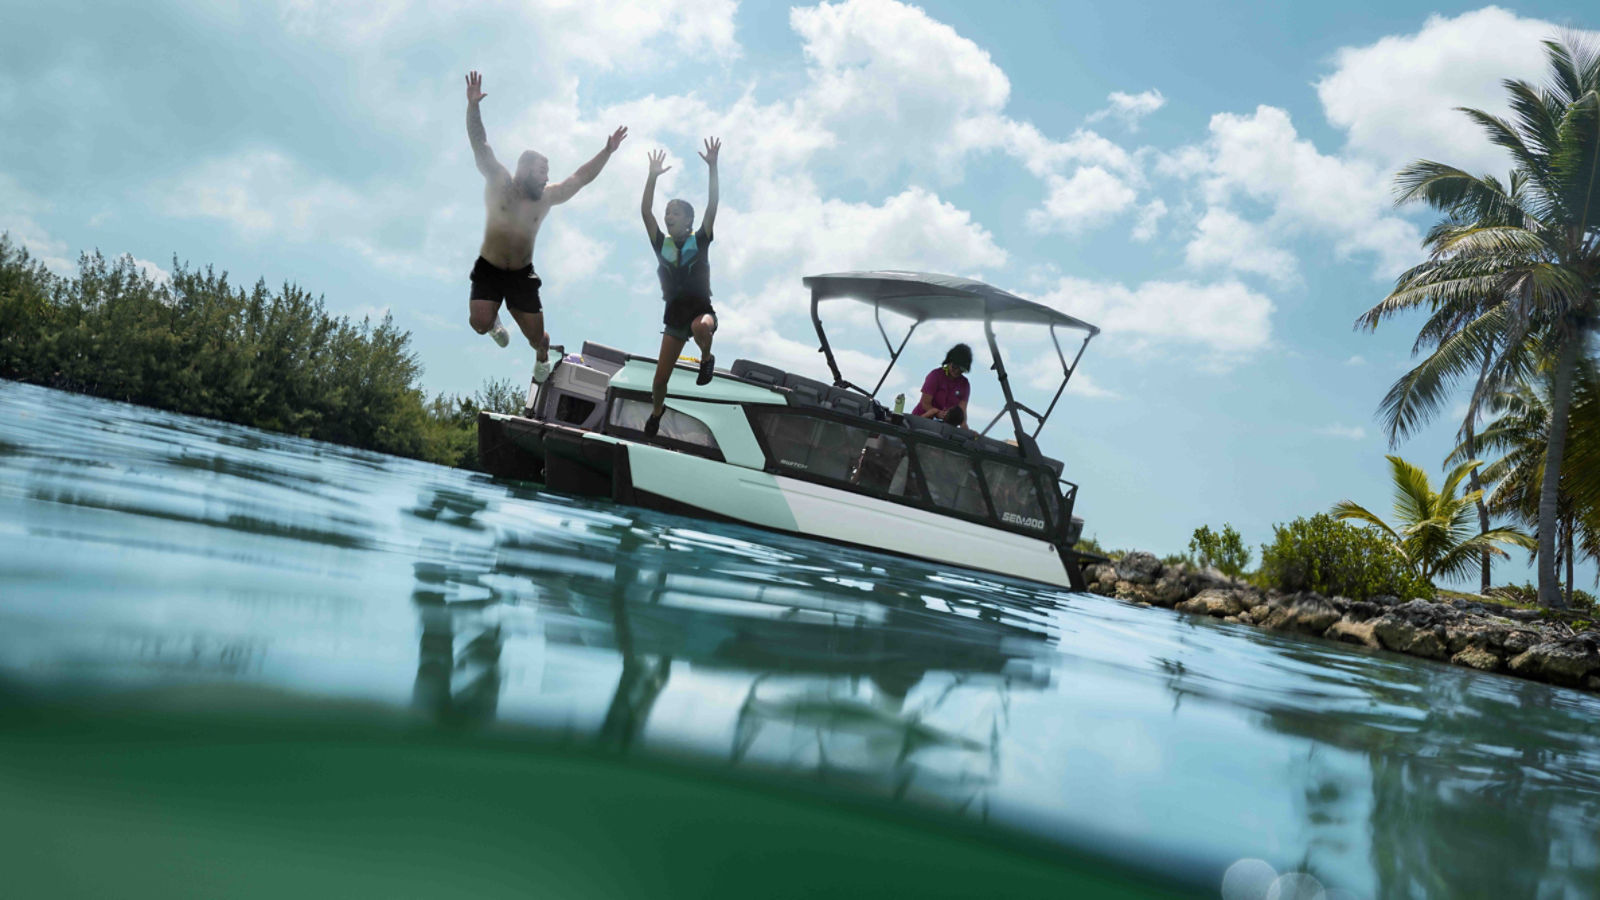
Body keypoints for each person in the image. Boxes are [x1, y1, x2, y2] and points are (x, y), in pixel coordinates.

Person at [463, 70, 627, 383]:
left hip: (522, 276)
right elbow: (480, 143)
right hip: (490, 268)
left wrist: (606, 151)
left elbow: (580, 178)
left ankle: (541, 358)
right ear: (523, 169)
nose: (546, 177)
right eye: (542, 171)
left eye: (548, 172)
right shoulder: (499, 181)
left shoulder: (546, 198)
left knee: (538, 338)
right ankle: (495, 320)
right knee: (480, 323)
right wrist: (473, 106)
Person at [639, 138, 720, 436]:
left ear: (688, 221)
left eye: (674, 212)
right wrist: (652, 176)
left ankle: (706, 359)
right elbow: (646, 212)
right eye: (667, 212)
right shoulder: (662, 245)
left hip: (701, 311)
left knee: (701, 328)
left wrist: (713, 167)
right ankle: (657, 413)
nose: (667, 215)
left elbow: (713, 204)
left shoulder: (701, 240)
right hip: (674, 316)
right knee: (660, 381)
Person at [911, 343, 972, 427]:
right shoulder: (935, 375)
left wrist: (967, 431)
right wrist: (937, 413)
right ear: (949, 361)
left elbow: (962, 413)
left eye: (961, 369)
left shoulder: (965, 384)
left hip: (943, 429)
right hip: (920, 422)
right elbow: (925, 403)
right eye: (954, 366)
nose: (957, 371)